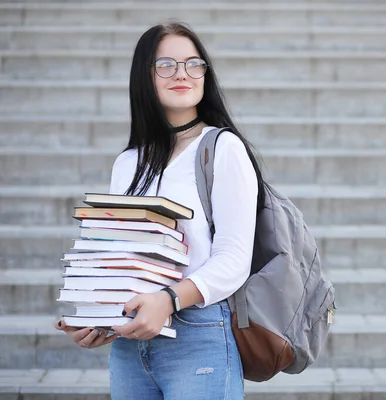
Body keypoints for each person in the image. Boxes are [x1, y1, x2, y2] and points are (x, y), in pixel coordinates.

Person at [54, 21, 269, 399]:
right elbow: (118, 255)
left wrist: (168, 300)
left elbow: (235, 257)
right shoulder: (128, 162)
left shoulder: (222, 148)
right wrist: (95, 317)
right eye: (166, 64)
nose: (182, 73)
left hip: (198, 335)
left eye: (193, 63)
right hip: (129, 345)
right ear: (145, 76)